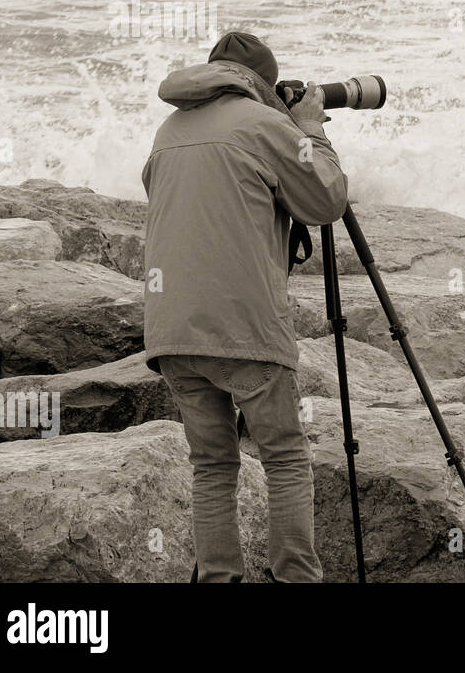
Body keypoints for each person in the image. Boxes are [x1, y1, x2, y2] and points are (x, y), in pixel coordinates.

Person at [142, 31, 348, 582]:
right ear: (261, 84)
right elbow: (326, 200)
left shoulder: (168, 130)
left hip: (170, 330)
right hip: (243, 328)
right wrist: (308, 128)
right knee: (283, 455)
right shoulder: (266, 125)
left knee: (211, 465)